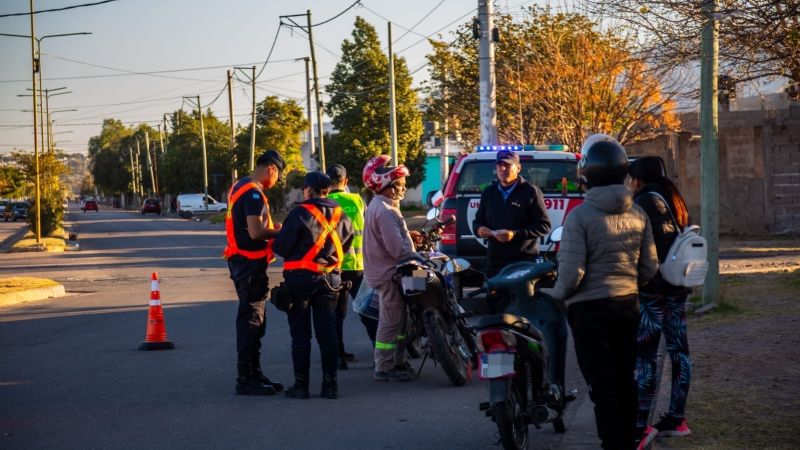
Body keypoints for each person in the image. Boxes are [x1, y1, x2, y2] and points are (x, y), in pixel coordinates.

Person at [543, 135, 659, 450]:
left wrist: (556, 294)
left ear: (587, 174)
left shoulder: (579, 216)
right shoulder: (638, 213)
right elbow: (649, 268)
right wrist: (628, 285)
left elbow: (571, 273)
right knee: (625, 378)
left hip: (589, 313)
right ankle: (627, 439)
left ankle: (612, 443)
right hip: (627, 306)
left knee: (602, 384)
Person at [628, 157, 693, 449]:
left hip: (653, 292)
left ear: (638, 178)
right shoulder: (674, 198)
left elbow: (639, 249)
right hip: (677, 288)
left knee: (645, 357)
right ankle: (677, 418)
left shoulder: (643, 202)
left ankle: (641, 425)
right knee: (679, 352)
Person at [272, 172, 355, 399]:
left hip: (300, 280)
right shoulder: (341, 215)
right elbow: (347, 244)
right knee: (327, 335)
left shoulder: (299, 213)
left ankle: (301, 387)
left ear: (308, 189)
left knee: (301, 335)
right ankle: (330, 386)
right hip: (331, 280)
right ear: (327, 190)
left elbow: (280, 247)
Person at [223, 150, 286, 396]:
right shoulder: (252, 192)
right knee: (252, 321)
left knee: (255, 320)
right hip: (249, 266)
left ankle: (254, 372)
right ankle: (246, 378)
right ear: (271, 167)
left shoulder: (240, 186)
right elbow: (256, 232)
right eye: (278, 174)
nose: (277, 180)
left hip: (243, 264)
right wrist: (281, 231)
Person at [362, 155, 419, 382]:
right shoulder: (385, 210)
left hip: (392, 271)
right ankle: (384, 367)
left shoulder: (383, 205)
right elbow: (396, 249)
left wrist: (410, 238)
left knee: (402, 319)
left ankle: (399, 359)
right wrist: (418, 259)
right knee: (391, 321)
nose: (404, 188)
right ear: (387, 185)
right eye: (400, 184)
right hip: (391, 274)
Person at [473, 149, 551, 278]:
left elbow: (544, 226)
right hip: (495, 262)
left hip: (523, 261)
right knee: (496, 297)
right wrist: (480, 230)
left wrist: (514, 234)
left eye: (508, 165)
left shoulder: (531, 192)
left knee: (523, 298)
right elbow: (477, 222)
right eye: (499, 165)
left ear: (518, 168)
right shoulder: (489, 193)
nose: (503, 168)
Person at [326, 164, 376, 367]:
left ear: (328, 183)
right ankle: (379, 353)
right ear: (346, 182)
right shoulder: (357, 200)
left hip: (334, 267)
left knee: (335, 313)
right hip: (358, 266)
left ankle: (338, 356)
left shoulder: (325, 203)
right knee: (367, 310)